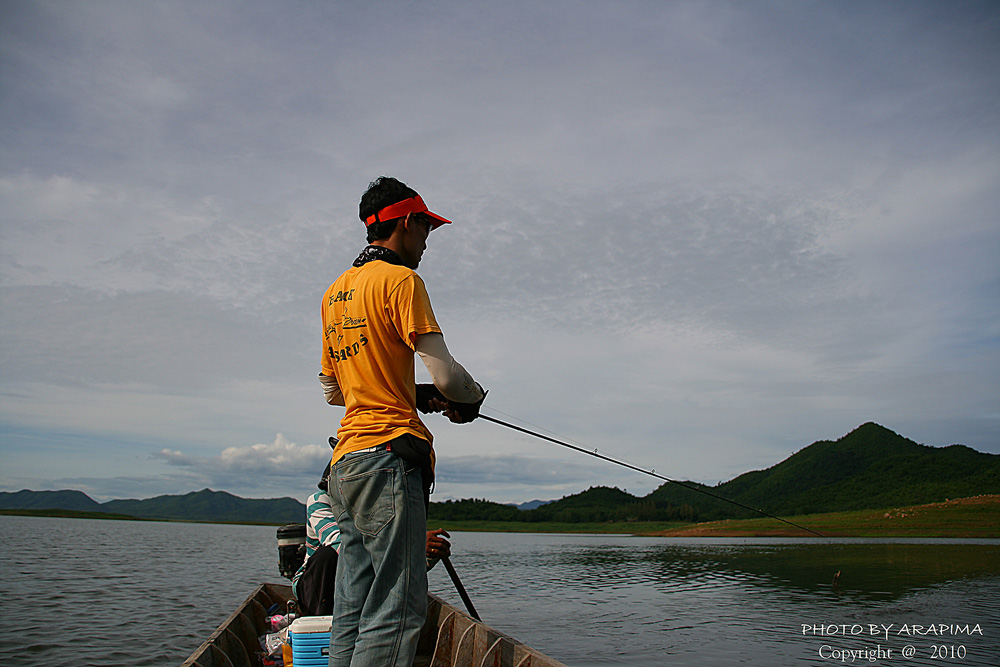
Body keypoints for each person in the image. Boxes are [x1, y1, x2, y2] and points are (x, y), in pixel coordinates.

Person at [319, 176, 485, 666]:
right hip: (389, 461)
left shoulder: (334, 294)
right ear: (407, 223)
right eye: (427, 228)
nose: (428, 240)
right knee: (397, 607)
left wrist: (410, 393)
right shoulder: (402, 281)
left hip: (344, 467)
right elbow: (449, 377)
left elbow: (334, 390)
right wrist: (466, 398)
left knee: (352, 603)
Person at [292, 461, 453, 617]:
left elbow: (396, 565)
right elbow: (343, 548)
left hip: (354, 584)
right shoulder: (319, 501)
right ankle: (318, 623)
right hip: (314, 588)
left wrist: (426, 554)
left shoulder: (369, 507)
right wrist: (413, 544)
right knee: (327, 556)